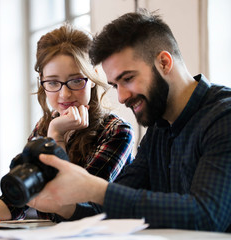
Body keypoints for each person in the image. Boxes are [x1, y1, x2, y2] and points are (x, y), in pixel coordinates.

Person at [27, 9, 231, 232]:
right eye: (115, 85)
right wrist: (64, 207)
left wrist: (96, 189)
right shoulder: (157, 130)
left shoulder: (223, 117)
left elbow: (207, 215)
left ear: (163, 62)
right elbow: (114, 207)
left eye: (128, 79)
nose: (122, 97)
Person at [0, 24, 134, 226]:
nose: (65, 93)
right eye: (53, 82)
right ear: (42, 82)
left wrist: (56, 136)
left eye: (76, 80)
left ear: (93, 77)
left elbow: (76, 204)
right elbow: (17, 202)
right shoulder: (44, 127)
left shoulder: (117, 132)